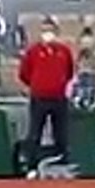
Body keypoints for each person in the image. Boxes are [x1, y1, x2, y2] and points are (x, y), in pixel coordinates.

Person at [17, 17, 75, 173]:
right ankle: (32, 166)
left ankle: (62, 163)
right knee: (35, 133)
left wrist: (60, 84)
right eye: (44, 30)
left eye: (50, 30)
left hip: (59, 98)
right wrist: (36, 85)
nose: (47, 33)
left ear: (56, 32)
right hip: (39, 98)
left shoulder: (64, 51)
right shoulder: (33, 51)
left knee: (61, 133)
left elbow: (69, 72)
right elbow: (23, 73)